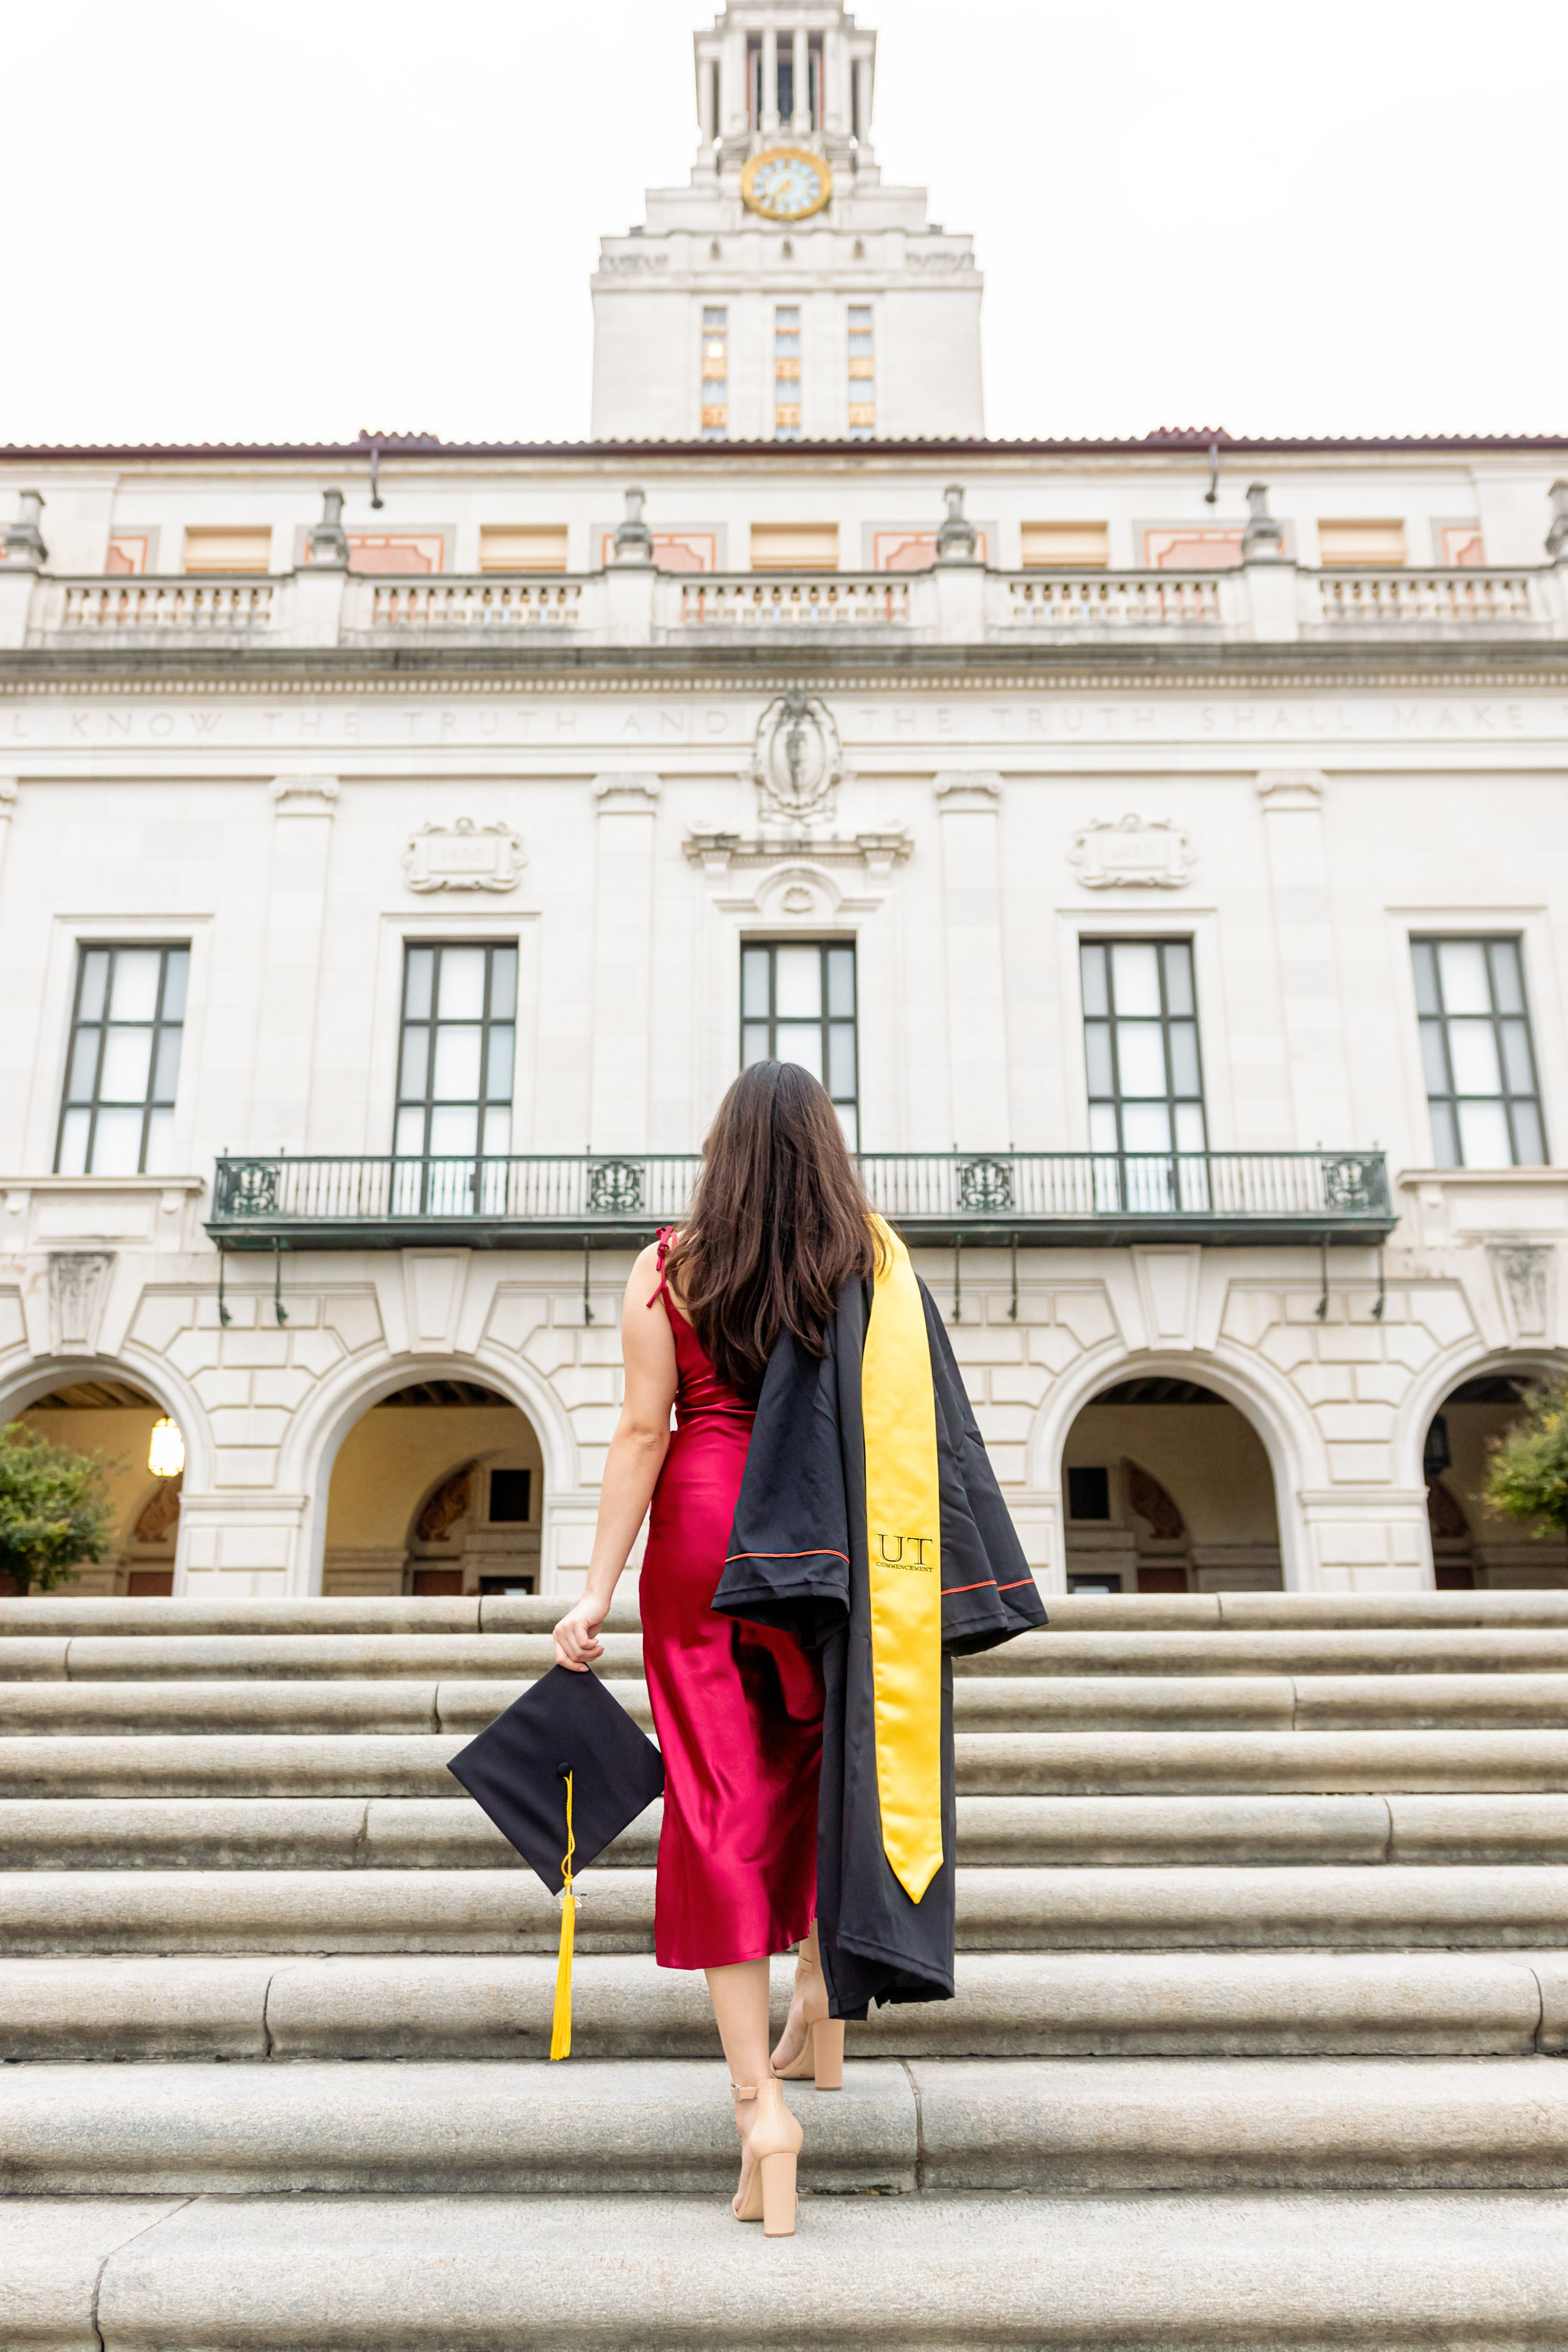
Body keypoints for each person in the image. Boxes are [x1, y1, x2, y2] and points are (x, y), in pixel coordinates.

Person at [553, 1060, 870, 2236]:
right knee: (821, 1771)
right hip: (822, 1538)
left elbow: (644, 1430)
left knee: (719, 1802)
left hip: (701, 1532)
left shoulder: (667, 1265)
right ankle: (824, 1988)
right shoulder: (861, 1266)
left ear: (721, 1148)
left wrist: (592, 1593)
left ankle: (761, 2117)